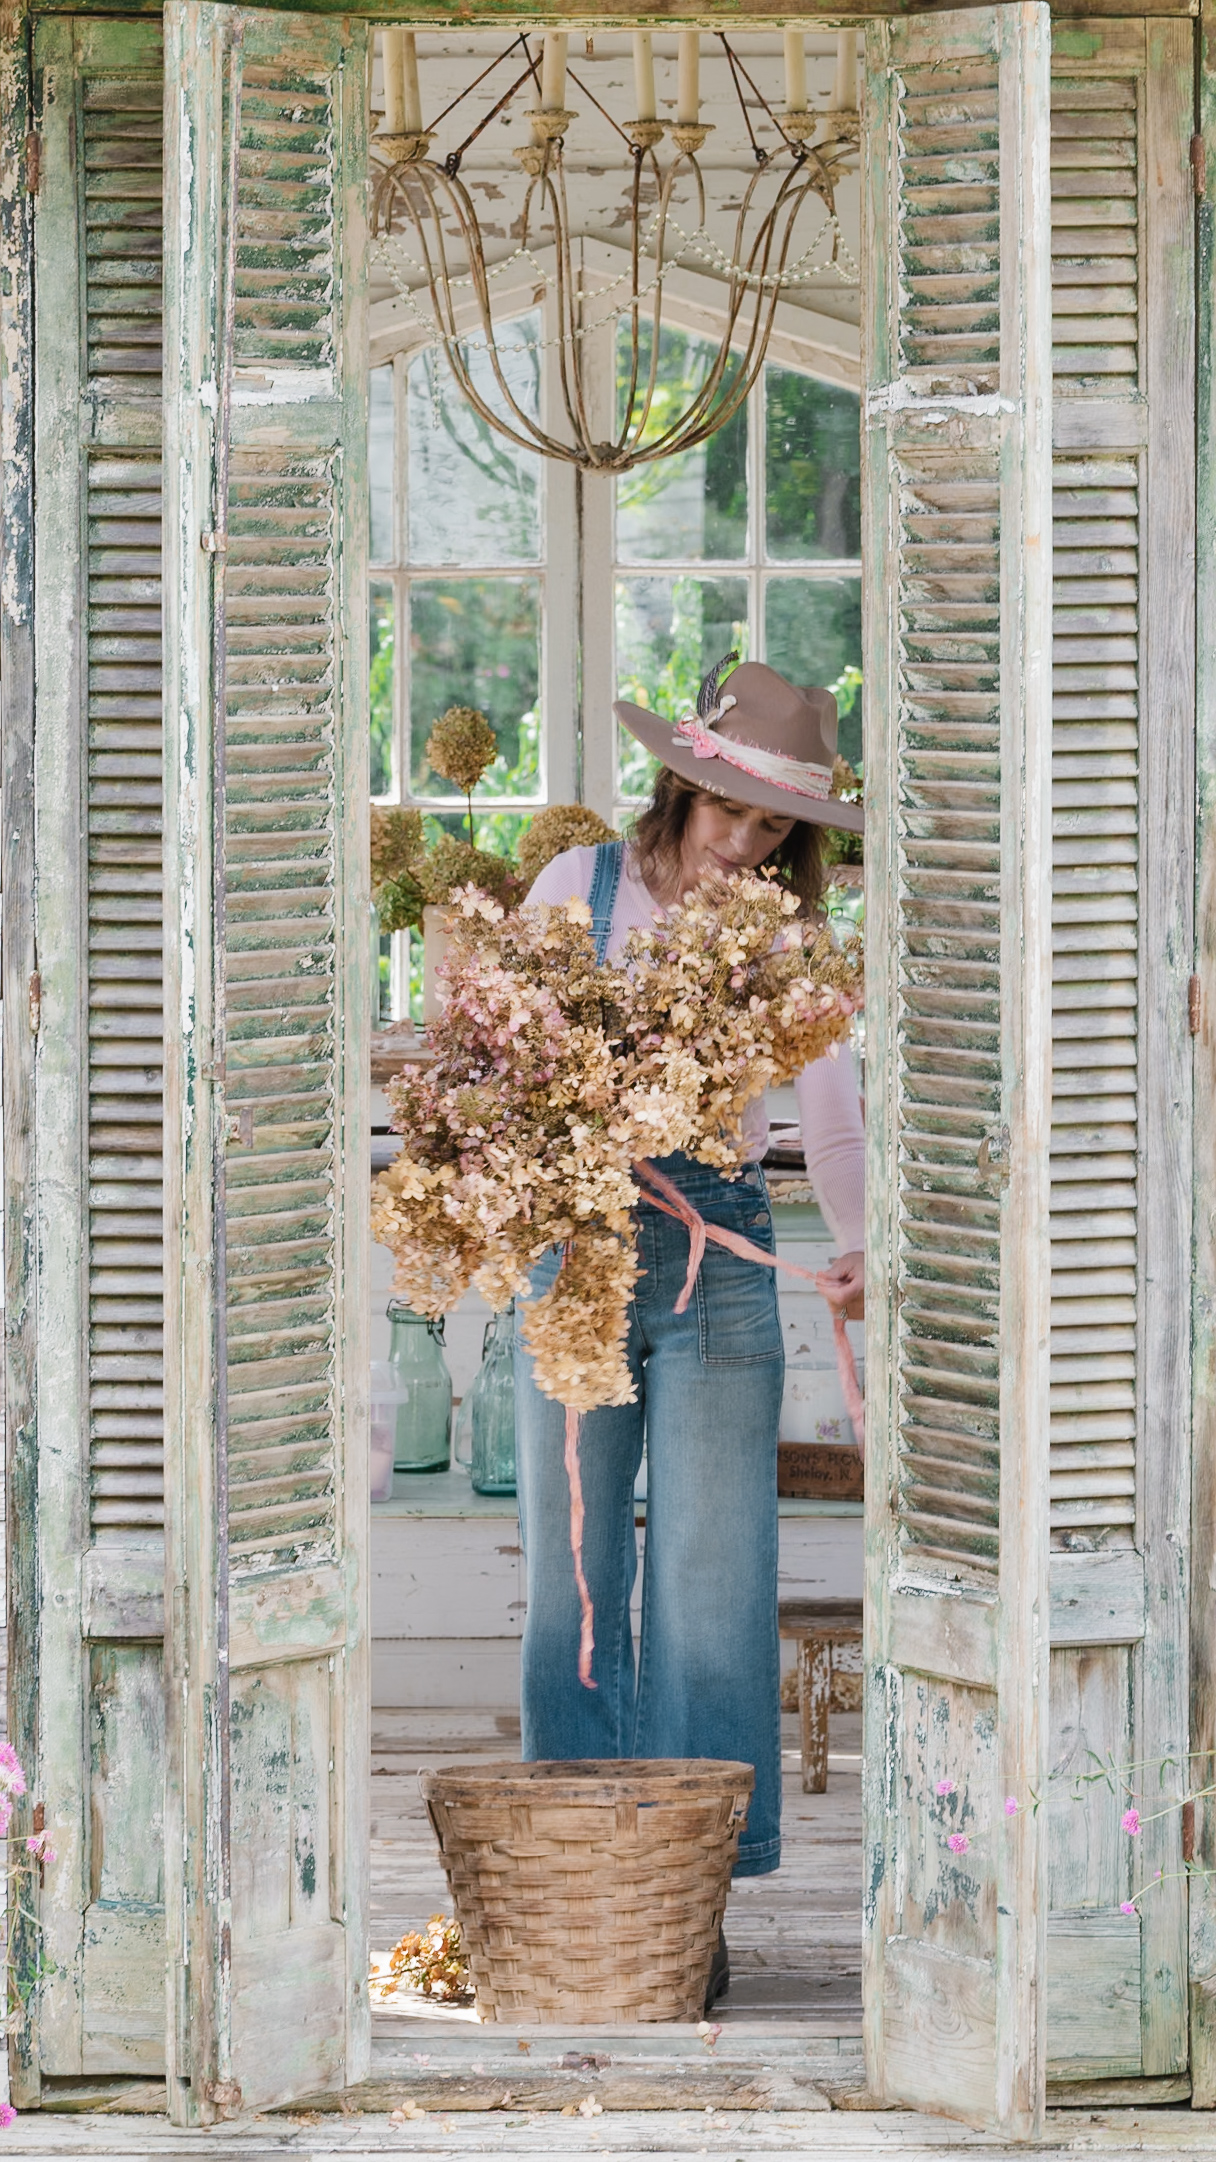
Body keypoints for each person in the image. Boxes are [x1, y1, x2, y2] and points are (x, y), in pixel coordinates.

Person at [512, 660, 865, 1999]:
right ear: (684, 776)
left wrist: (857, 1244)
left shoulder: (781, 939)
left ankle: (687, 1895)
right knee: (581, 1578)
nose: (744, 837)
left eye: (774, 825)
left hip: (721, 1253)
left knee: (713, 1584)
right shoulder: (576, 890)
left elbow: (827, 1119)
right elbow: (497, 1065)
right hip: (575, 1244)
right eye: (728, 805)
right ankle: (574, 1878)